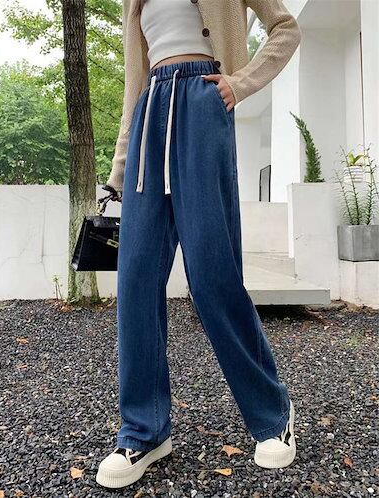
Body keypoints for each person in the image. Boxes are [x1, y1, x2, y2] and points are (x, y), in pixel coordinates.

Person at [97, 0, 302, 489]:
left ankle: (272, 414)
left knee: (213, 275)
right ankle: (145, 431)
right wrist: (120, 166)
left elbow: (285, 28)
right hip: (150, 113)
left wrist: (240, 83)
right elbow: (134, 81)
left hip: (204, 102)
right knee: (136, 279)